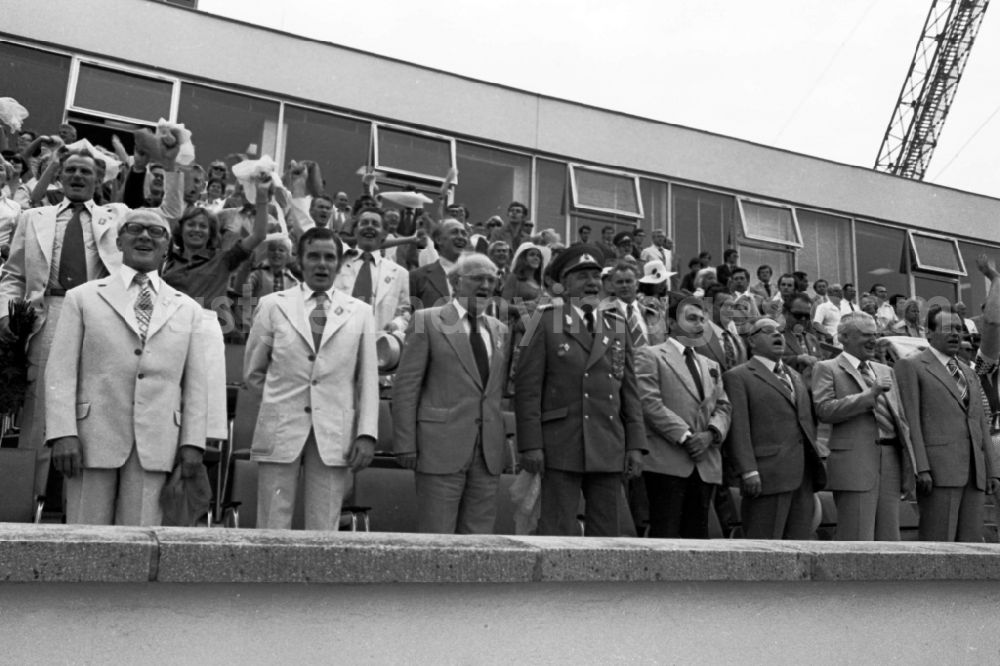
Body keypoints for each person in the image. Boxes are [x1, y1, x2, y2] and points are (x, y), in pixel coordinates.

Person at [0, 141, 183, 498]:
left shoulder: (116, 216)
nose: (78, 176)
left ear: (100, 178)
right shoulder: (33, 217)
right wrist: (7, 312)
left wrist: (171, 162)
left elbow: (170, 212)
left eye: (86, 171)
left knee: (94, 408)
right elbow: (13, 275)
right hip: (49, 314)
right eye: (70, 170)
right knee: (41, 412)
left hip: (104, 315)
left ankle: (81, 508)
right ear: (59, 176)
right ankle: (25, 508)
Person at [44, 209, 206, 525]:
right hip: (91, 438)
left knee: (141, 538)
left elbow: (197, 384)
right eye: (134, 228)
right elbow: (61, 371)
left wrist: (192, 443)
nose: (145, 236)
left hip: (156, 440)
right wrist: (63, 433)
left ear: (168, 247)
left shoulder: (188, 309)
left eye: (156, 232)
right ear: (118, 240)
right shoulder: (82, 298)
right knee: (85, 535)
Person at [244, 227, 379, 530]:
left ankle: (317, 579)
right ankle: (264, 577)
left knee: (324, 524)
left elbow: (367, 380)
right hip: (280, 427)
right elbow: (254, 371)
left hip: (334, 432)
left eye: (329, 257)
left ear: (339, 263)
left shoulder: (360, 313)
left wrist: (366, 433)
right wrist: (279, 403)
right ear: (299, 261)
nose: (321, 264)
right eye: (314, 256)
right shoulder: (272, 305)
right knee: (271, 522)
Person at [514, 244, 646, 536]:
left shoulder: (616, 325)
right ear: (563, 284)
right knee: (558, 530)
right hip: (561, 442)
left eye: (596, 276)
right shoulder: (544, 321)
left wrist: (635, 444)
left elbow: (629, 391)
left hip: (608, 442)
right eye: (582, 276)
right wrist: (530, 444)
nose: (591, 283)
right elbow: (527, 389)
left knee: (607, 534)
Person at [392, 254, 509, 534]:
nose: (486, 285)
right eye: (478, 278)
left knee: (479, 539)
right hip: (439, 447)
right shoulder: (427, 320)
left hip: (487, 452)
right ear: (456, 283)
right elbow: (406, 387)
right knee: (437, 535)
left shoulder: (500, 330)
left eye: (491, 280)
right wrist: (405, 443)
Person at [163, 191, 268, 439]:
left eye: (203, 226)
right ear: (182, 228)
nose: (196, 230)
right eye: (191, 224)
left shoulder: (224, 260)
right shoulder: (165, 260)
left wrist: (262, 199)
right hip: (170, 336)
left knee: (200, 404)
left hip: (204, 338)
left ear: (211, 232)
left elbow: (259, 235)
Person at [895, 304, 1000, 541]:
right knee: (938, 543)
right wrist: (921, 467)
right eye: (946, 328)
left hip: (974, 473)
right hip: (938, 472)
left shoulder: (969, 372)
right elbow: (910, 421)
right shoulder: (911, 366)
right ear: (928, 333)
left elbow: (980, 424)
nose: (955, 333)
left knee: (971, 547)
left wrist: (992, 470)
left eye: (958, 328)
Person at [812, 312, 916, 540]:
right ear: (844, 337)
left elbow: (901, 420)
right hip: (854, 462)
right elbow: (824, 410)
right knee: (857, 537)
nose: (873, 340)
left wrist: (910, 463)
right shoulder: (827, 368)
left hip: (891, 459)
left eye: (875, 334)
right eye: (865, 335)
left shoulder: (884, 370)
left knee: (890, 538)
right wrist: (869, 395)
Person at [635, 296, 732, 538]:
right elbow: (649, 403)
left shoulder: (710, 364)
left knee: (698, 537)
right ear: (670, 323)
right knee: (665, 534)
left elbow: (723, 406)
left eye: (702, 320)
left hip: (705, 462)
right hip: (668, 460)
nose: (699, 325)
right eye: (691, 319)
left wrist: (711, 434)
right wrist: (687, 437)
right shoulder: (651, 355)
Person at [723, 318, 825, 539]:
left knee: (799, 548)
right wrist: (748, 470)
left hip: (803, 477)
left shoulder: (795, 376)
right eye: (768, 331)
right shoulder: (739, 376)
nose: (777, 335)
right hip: (766, 476)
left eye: (779, 331)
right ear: (752, 341)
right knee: (764, 548)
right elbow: (738, 428)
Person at [334, 207, 411, 333]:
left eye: (375, 224)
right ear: (355, 231)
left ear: (385, 234)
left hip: (376, 343)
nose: (369, 227)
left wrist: (396, 325)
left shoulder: (400, 274)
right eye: (364, 223)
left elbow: (406, 313)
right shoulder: (337, 261)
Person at [410, 218, 468, 310]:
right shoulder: (417, 277)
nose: (461, 237)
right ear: (439, 239)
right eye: (454, 232)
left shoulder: (476, 275)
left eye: (464, 234)